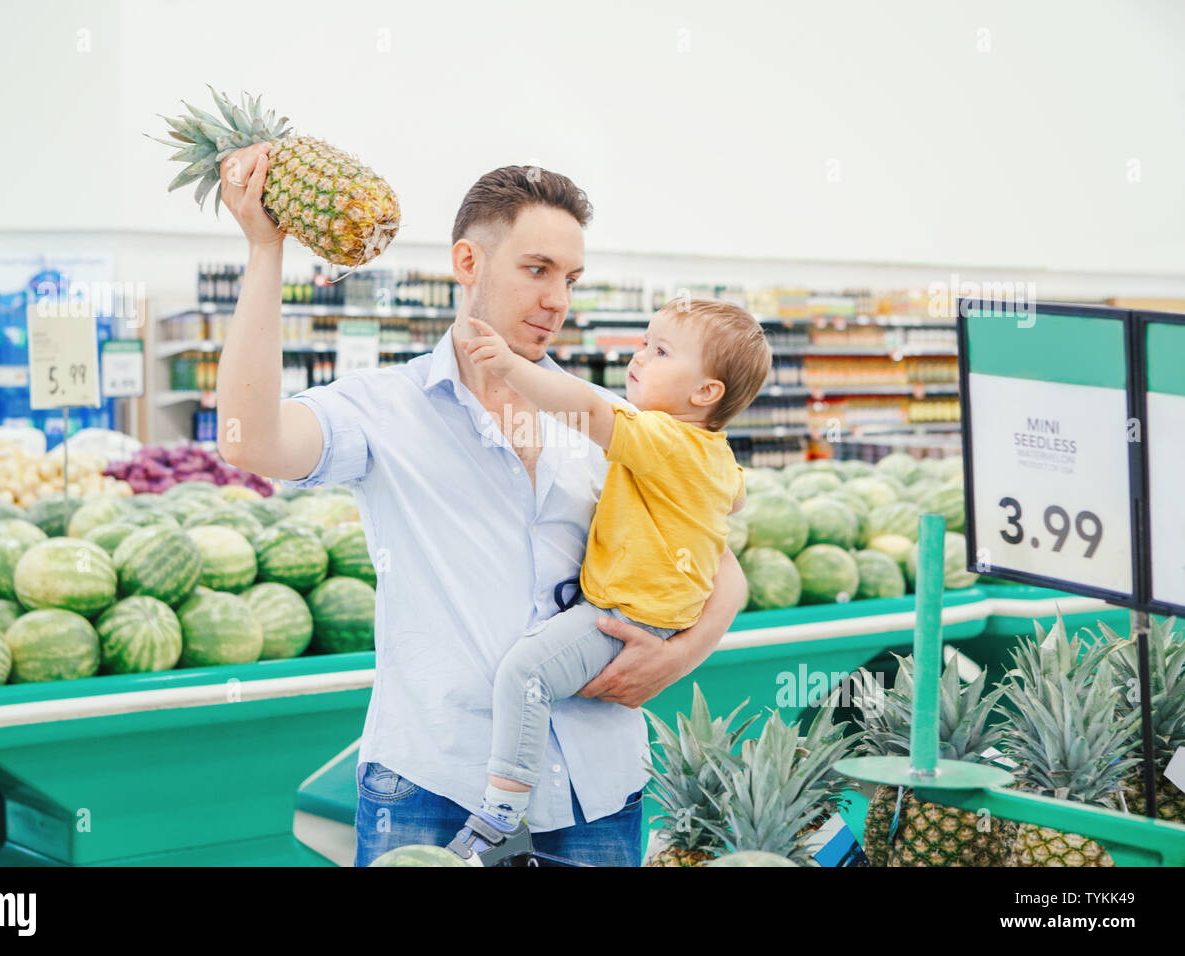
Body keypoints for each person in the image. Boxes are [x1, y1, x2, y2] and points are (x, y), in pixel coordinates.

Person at [215, 145, 748, 866]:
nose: (558, 299)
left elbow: (723, 567)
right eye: (537, 270)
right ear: (468, 263)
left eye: (570, 277)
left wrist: (680, 654)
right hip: (432, 783)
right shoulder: (384, 408)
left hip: (594, 785)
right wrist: (264, 250)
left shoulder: (615, 423)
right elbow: (251, 442)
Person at [447, 298, 770, 863]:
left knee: (525, 675)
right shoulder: (715, 454)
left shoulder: (664, 439)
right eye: (645, 342)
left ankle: (499, 817)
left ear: (705, 394)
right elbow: (737, 499)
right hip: (660, 618)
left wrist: (509, 367)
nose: (639, 356)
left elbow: (585, 410)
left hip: (623, 616)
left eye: (661, 350)